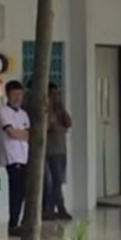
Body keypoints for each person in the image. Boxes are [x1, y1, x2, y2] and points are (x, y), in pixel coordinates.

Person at [0, 81, 31, 236]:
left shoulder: (23, 114)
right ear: (8, 95)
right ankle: (13, 224)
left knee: (23, 192)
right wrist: (22, 134)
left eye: (20, 94)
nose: (18, 97)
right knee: (15, 192)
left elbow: (30, 134)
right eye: (14, 94)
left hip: (24, 157)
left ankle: (20, 222)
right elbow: (12, 133)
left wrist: (22, 134)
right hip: (12, 157)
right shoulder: (3, 112)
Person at [43, 83, 73, 220]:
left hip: (60, 150)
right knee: (50, 182)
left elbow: (68, 123)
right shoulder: (45, 110)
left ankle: (60, 207)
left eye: (56, 94)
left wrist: (60, 108)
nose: (55, 97)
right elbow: (50, 127)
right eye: (52, 94)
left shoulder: (59, 110)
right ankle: (49, 208)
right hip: (49, 151)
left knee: (58, 181)